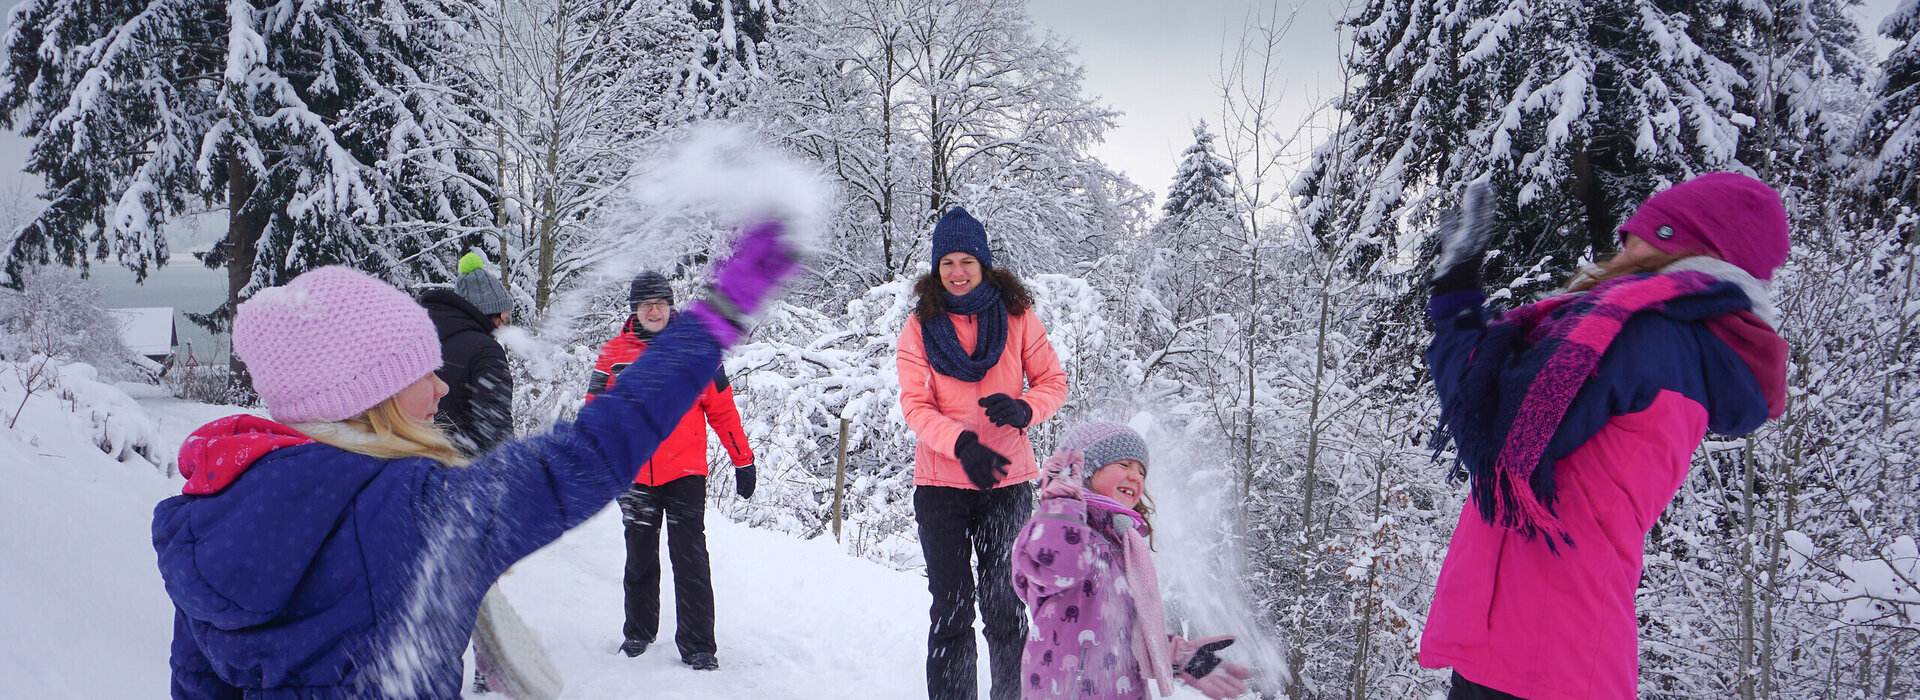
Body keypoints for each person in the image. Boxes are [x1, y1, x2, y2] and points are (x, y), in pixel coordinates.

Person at [151, 221, 801, 698]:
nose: (440, 388)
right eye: (420, 373)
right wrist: (718, 313)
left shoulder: (211, 513)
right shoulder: (425, 512)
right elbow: (599, 444)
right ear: (364, 398)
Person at [1419, 173, 1789, 699]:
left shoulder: (1651, 331)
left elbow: (1489, 426)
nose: (1622, 239)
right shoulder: (1657, 330)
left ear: (1674, 242)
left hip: (1542, 650)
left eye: (1640, 232)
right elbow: (1497, 410)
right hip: (1532, 641)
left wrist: (1456, 294)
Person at [896, 206, 1070, 700]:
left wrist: (1024, 408)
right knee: (951, 610)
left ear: (983, 263)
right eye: (947, 261)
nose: (956, 271)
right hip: (941, 486)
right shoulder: (921, 326)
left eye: (966, 260)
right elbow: (915, 404)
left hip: (1007, 484)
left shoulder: (1017, 318)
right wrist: (961, 443)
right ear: (936, 267)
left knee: (1005, 609)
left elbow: (1053, 382)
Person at [1012, 421, 1255, 700]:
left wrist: (1179, 655)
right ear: (1087, 469)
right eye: (1124, 464)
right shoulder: (1049, 526)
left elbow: (1124, 628)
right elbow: (1057, 566)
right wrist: (1063, 497)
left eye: (1141, 471)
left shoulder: (1124, 544)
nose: (1136, 477)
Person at [590, 271, 756, 671]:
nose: (653, 311)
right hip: (633, 477)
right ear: (634, 310)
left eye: (660, 304)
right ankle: (638, 632)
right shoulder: (613, 355)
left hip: (685, 474)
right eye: (645, 305)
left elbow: (723, 412)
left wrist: (743, 460)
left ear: (671, 306)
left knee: (690, 559)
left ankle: (699, 645)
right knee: (640, 558)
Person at [420, 252, 515, 456]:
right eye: (502, 318)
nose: (502, 326)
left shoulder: (424, 341)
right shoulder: (486, 350)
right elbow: (495, 424)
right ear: (487, 313)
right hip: (470, 469)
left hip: (426, 464)